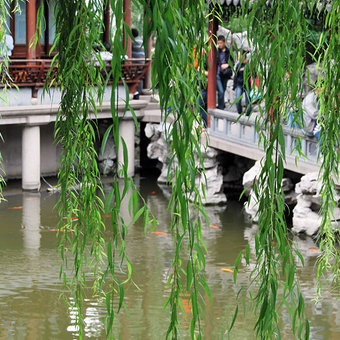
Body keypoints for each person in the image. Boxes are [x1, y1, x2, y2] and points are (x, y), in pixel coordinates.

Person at [217, 35, 233, 110]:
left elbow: (232, 62)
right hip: (218, 73)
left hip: (225, 74)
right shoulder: (217, 51)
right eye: (218, 43)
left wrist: (227, 65)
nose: (219, 45)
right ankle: (220, 108)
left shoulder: (229, 51)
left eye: (220, 43)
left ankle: (221, 106)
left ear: (224, 42)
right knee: (221, 91)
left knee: (222, 90)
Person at [233, 51, 251, 116]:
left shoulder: (249, 65)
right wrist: (234, 86)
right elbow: (235, 76)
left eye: (239, 56)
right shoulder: (238, 65)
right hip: (239, 84)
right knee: (238, 101)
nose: (238, 57)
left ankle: (247, 115)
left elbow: (254, 75)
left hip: (247, 84)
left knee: (248, 101)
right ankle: (240, 113)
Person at [132, 28, 145, 99]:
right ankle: (139, 91)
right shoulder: (140, 40)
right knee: (140, 75)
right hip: (142, 62)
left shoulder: (132, 41)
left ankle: (135, 91)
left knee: (133, 75)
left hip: (136, 63)